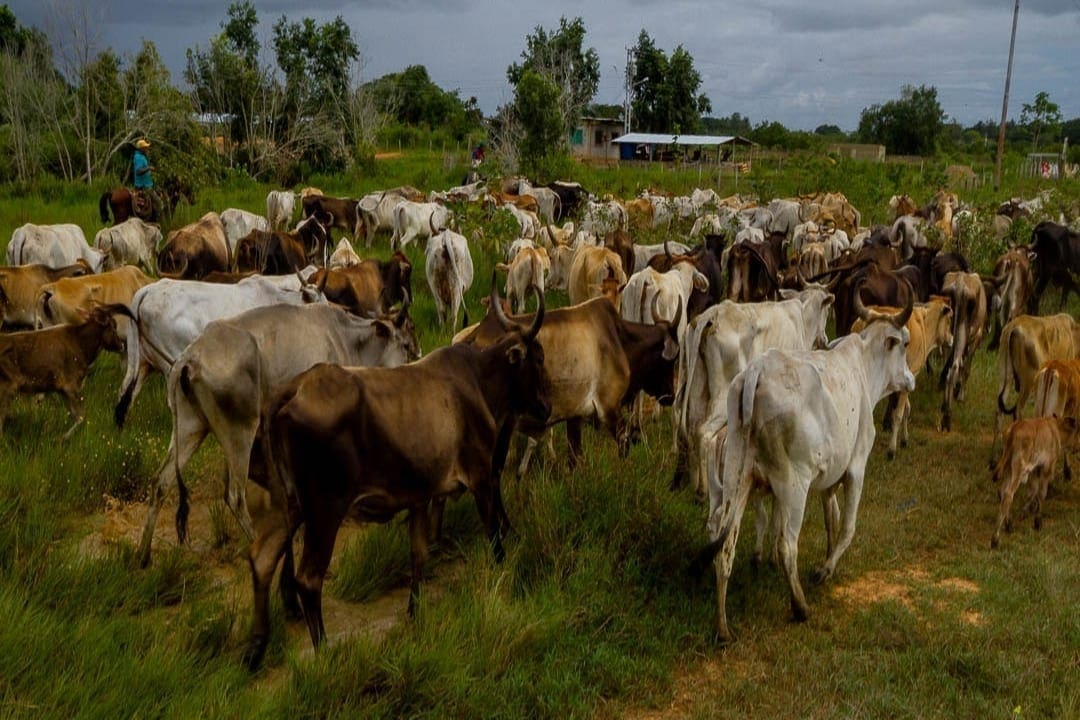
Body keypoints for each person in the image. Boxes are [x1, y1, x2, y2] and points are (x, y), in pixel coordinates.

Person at [131, 138, 161, 220]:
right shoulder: (139, 158)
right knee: (158, 202)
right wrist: (149, 168)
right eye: (145, 147)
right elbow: (138, 171)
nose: (147, 149)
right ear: (141, 148)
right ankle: (156, 219)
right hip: (144, 185)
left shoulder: (140, 156)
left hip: (146, 183)